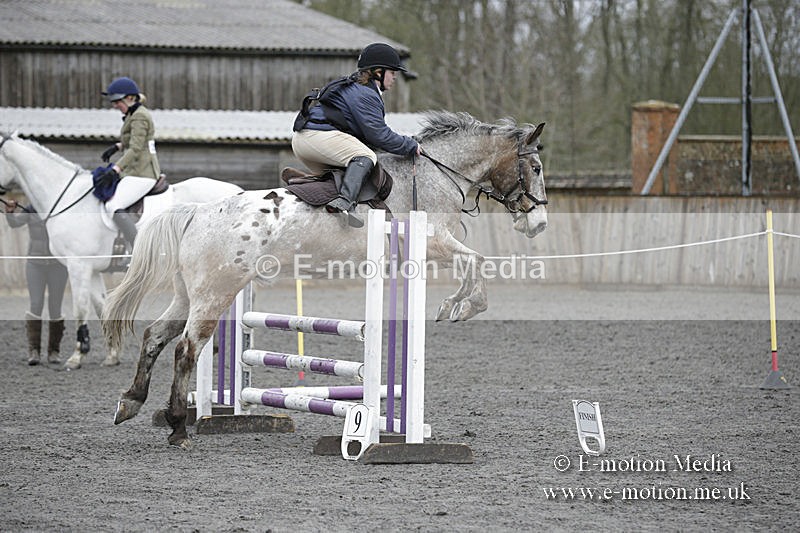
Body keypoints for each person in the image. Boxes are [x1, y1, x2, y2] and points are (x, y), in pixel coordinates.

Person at [292, 42, 420, 227]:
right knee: (366, 156)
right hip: (317, 137)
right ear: (378, 72)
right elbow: (379, 135)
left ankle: (316, 196)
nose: (394, 77)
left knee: (345, 174)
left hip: (305, 141)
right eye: (392, 72)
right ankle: (344, 203)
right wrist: (411, 145)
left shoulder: (355, 88)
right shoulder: (365, 94)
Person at [98, 76, 161, 247]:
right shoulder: (133, 114)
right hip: (135, 170)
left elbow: (136, 148)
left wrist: (116, 169)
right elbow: (133, 140)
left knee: (113, 205)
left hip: (143, 173)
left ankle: (137, 249)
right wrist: (117, 147)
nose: (114, 105)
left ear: (130, 98)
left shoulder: (139, 116)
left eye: (117, 101)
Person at [4, 200, 68, 365]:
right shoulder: (30, 209)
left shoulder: (60, 208)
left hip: (57, 265)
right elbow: (15, 223)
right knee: (36, 304)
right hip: (35, 264)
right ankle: (34, 351)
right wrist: (9, 212)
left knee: (55, 307)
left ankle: (54, 351)